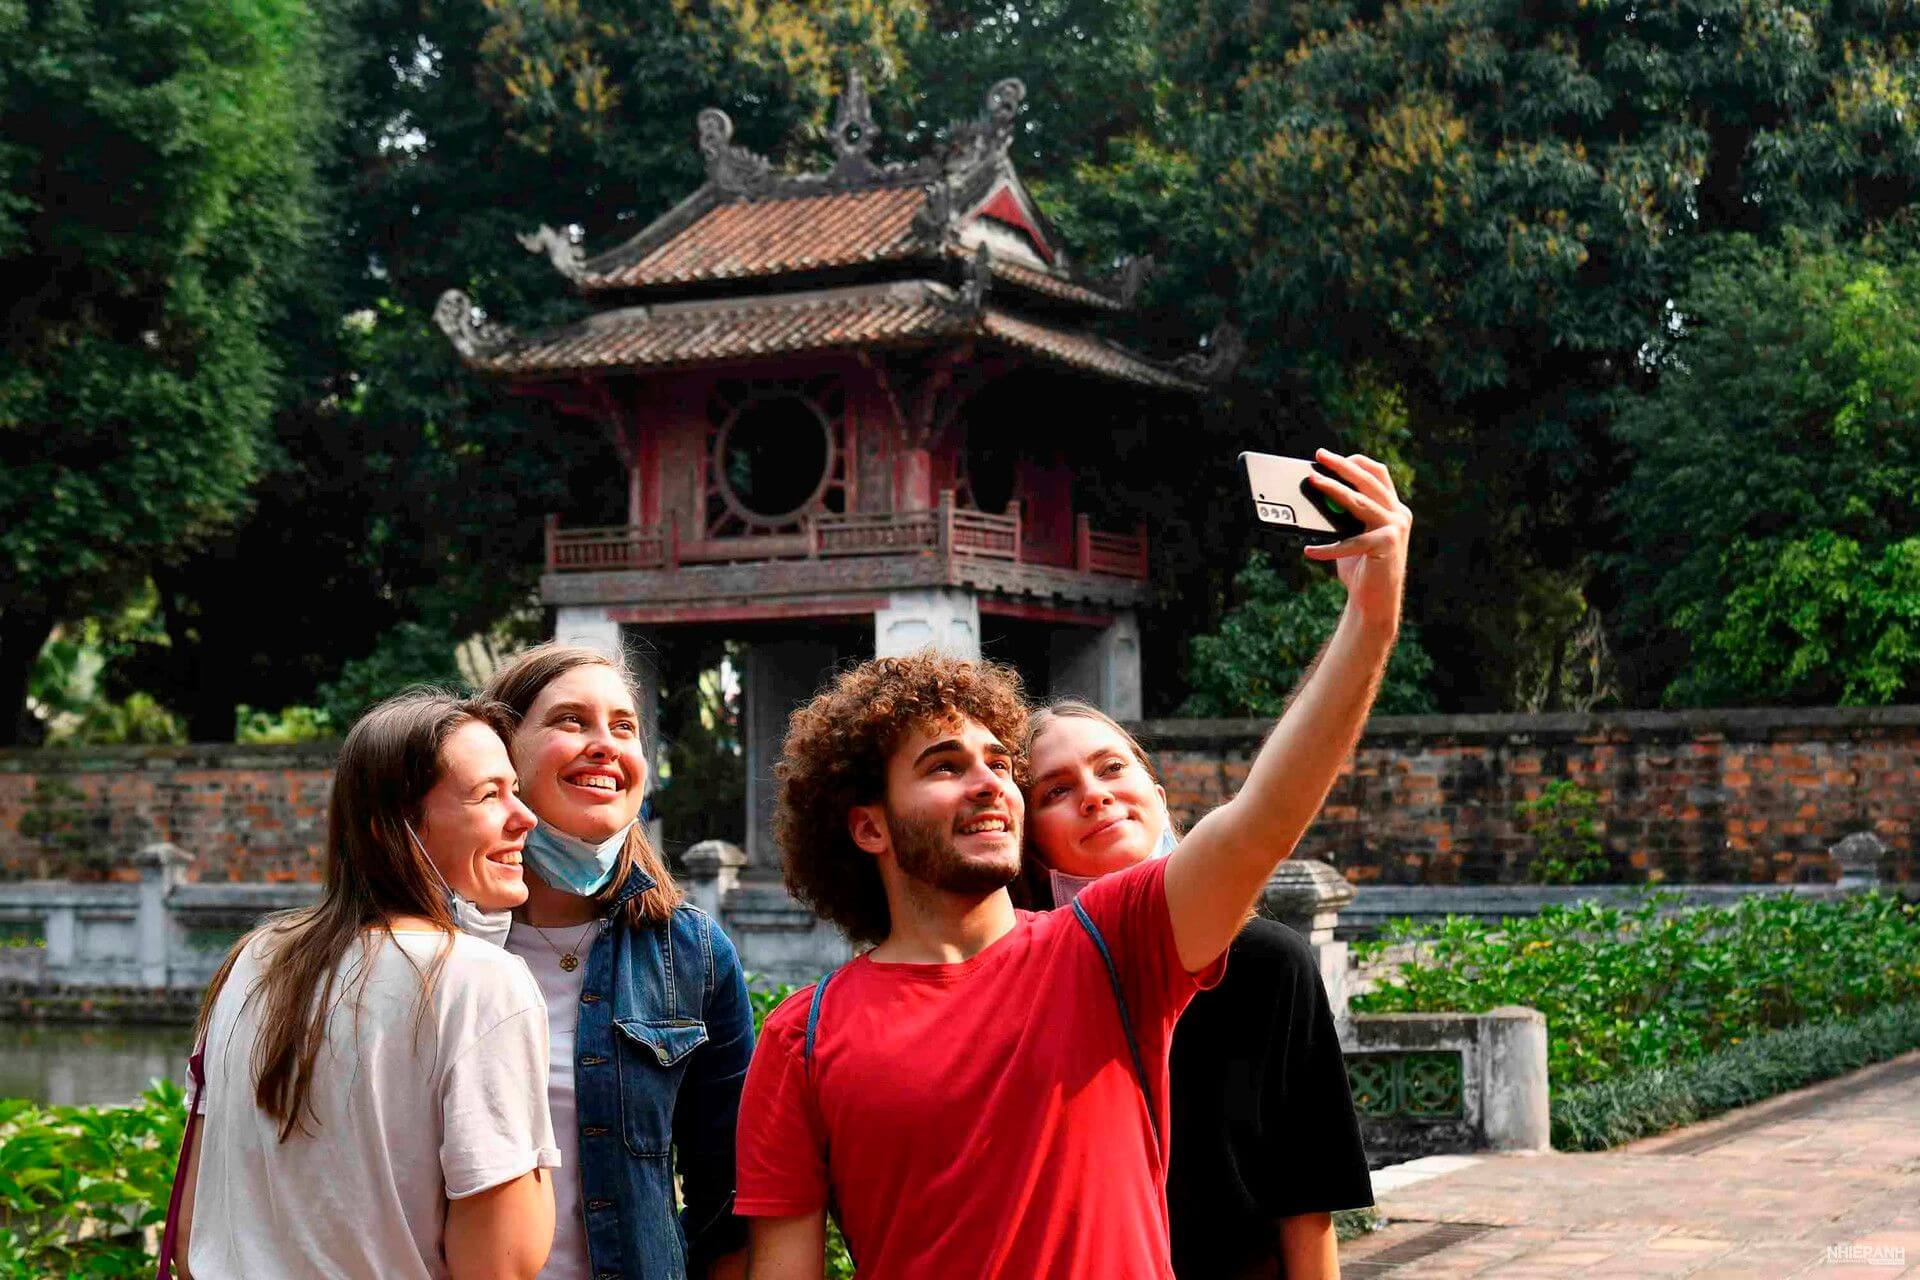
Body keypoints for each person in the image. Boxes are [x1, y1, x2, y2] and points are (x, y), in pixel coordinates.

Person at [736, 448, 1409, 1279]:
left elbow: (1260, 821)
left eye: (998, 763)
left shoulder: (1108, 948)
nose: (990, 783)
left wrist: (1370, 620)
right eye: (945, 766)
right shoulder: (802, 1037)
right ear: (868, 827)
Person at [173, 690, 559, 1280]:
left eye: (516, 790)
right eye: (489, 795)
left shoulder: (254, 961)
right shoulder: (481, 982)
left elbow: (190, 1231)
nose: (525, 817)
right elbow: (501, 1262)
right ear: (392, 831)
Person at [1020, 699, 1374, 1279]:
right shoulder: (1026, 981)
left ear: (1158, 798)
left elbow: (1306, 1200)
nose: (1094, 795)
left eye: (1111, 768)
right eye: (1055, 791)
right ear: (1032, 846)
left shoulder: (1269, 962)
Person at [483, 643, 755, 1280]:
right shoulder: (434, 948)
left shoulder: (691, 953)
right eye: (570, 721)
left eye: (624, 726)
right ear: (502, 754)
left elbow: (731, 1200)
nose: (605, 745)